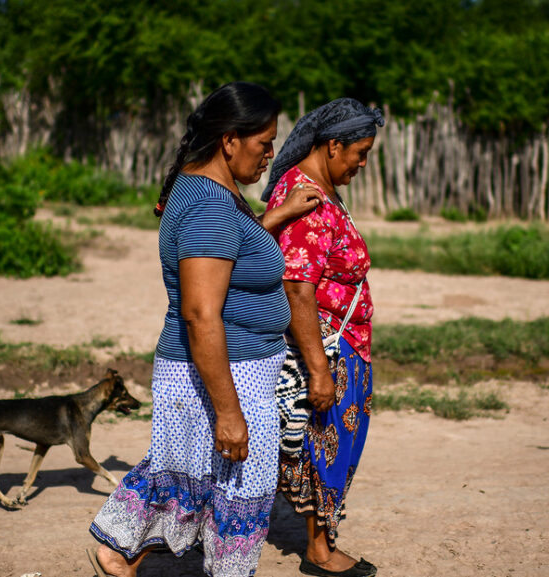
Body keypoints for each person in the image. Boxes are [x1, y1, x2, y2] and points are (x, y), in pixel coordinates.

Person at [88, 82, 322, 577]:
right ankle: (131, 552)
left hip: (228, 368)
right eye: (264, 144)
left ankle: (119, 551)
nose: (270, 156)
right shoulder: (209, 206)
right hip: (225, 372)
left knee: (194, 473)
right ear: (229, 140)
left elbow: (231, 257)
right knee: (239, 485)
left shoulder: (208, 194)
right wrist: (229, 411)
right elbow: (200, 313)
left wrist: (274, 218)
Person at [261, 98, 384, 577]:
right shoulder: (306, 197)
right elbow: (296, 286)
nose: (362, 163)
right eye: (360, 152)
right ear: (333, 146)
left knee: (330, 441)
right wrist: (318, 368)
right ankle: (318, 550)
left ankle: (320, 540)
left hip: (345, 342)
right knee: (321, 442)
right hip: (326, 347)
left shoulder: (318, 190)